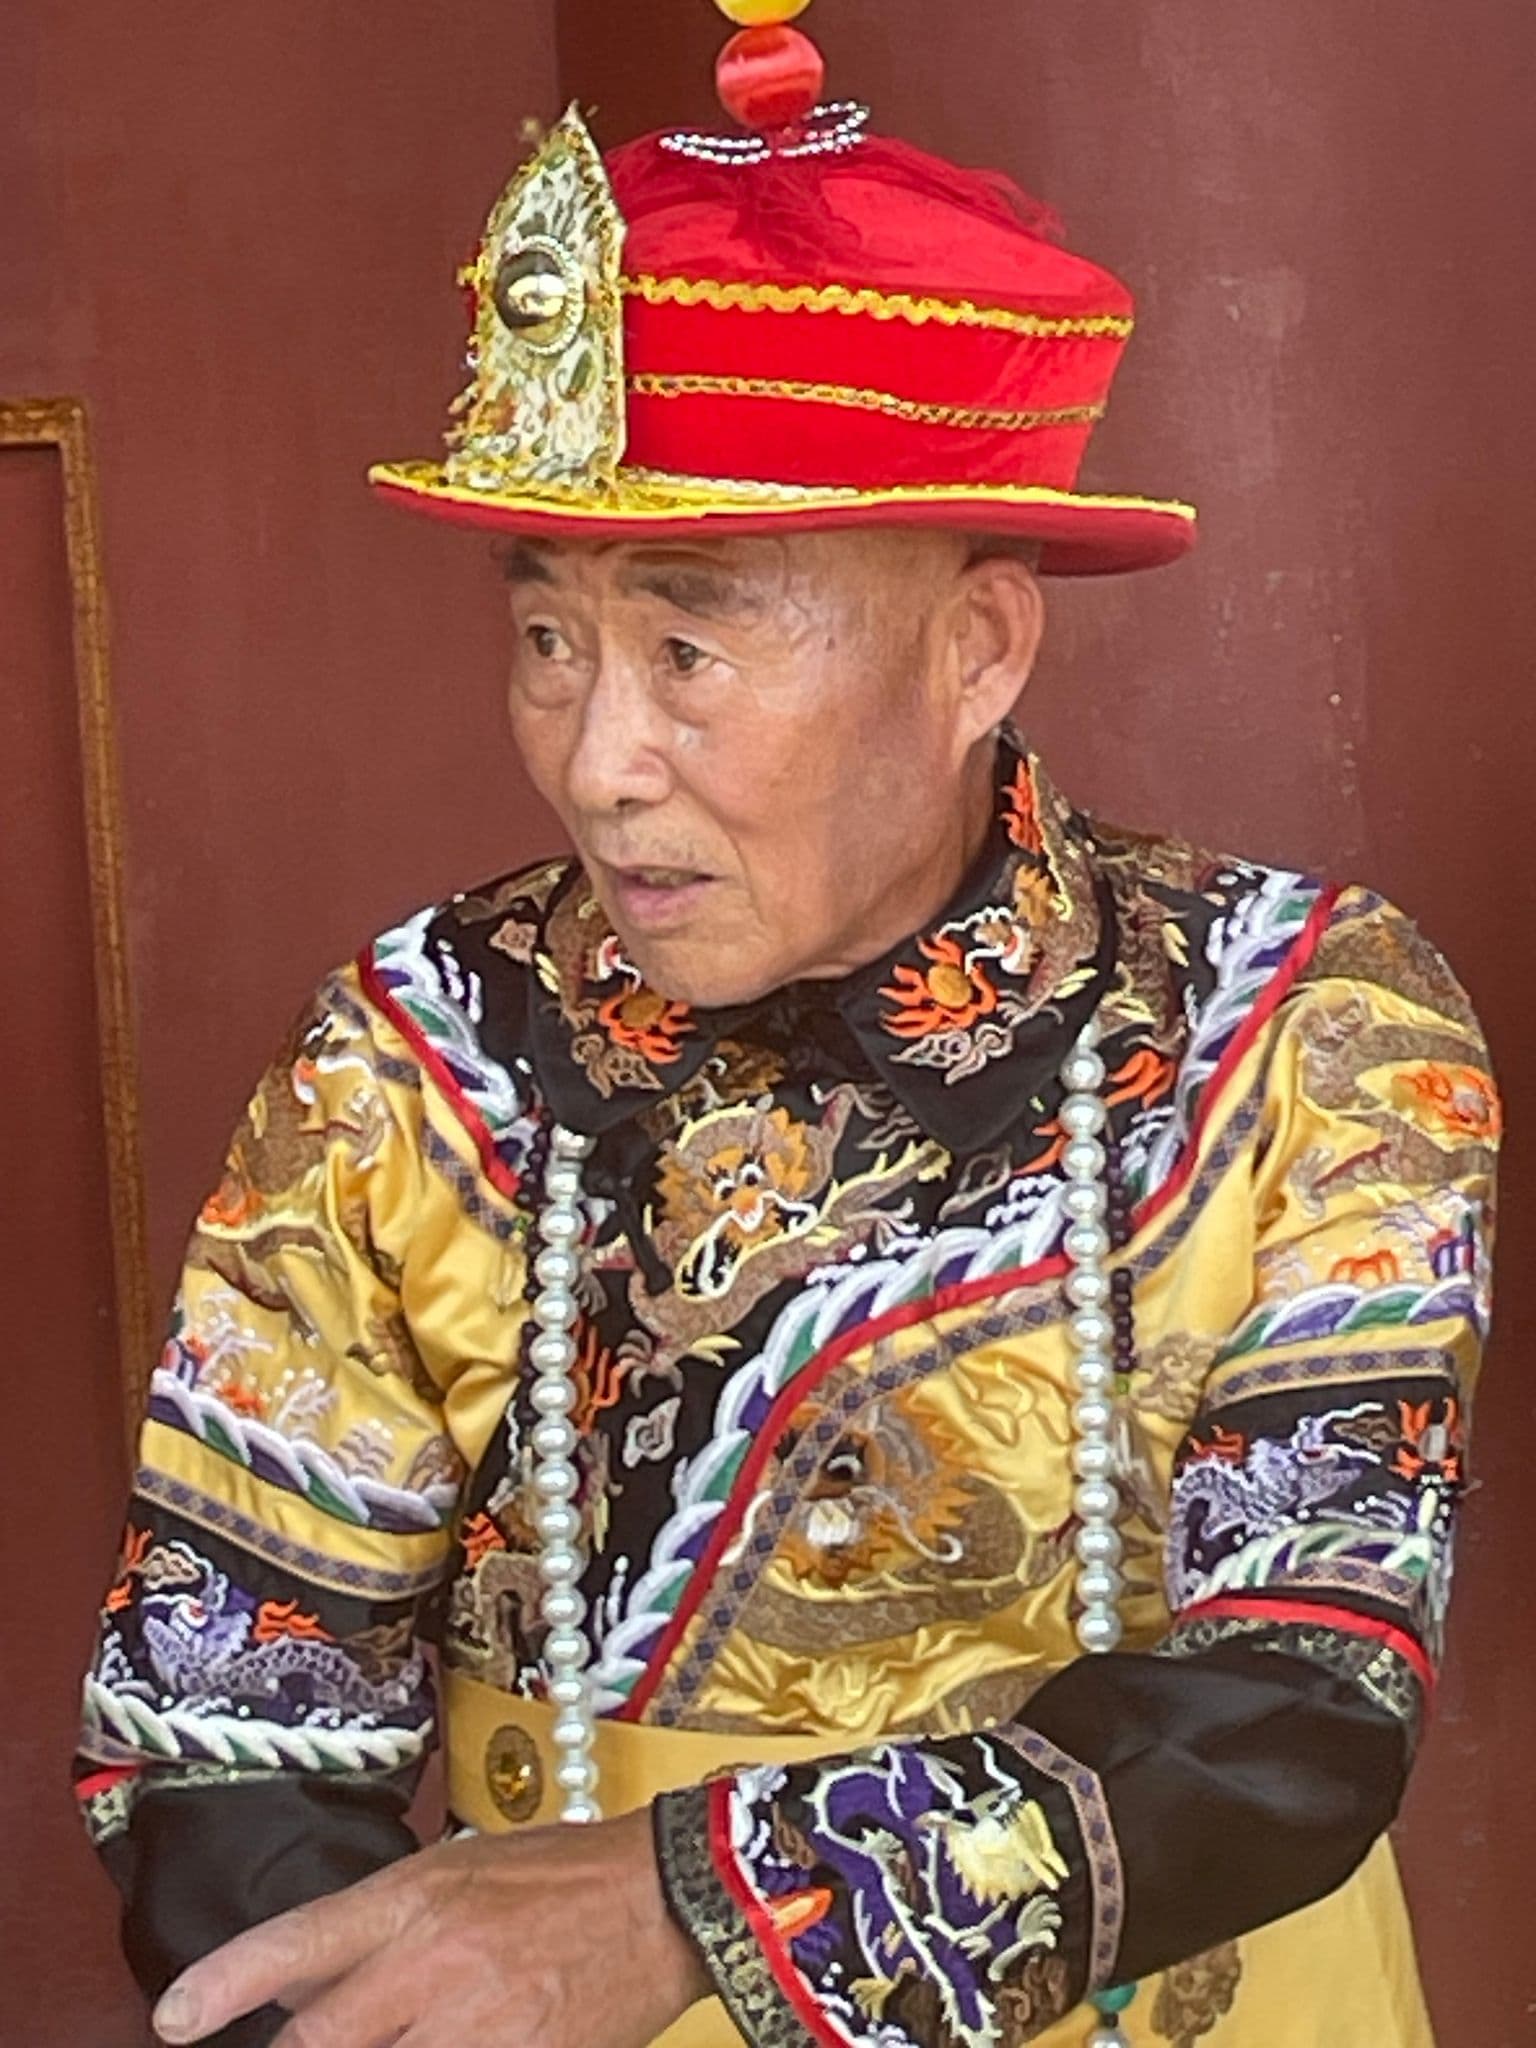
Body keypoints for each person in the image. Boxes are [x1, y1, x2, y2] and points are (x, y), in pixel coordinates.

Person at [75, 8, 1499, 2046]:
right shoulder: (408, 1054)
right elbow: (217, 1719)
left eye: (688, 640)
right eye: (550, 635)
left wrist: (676, 1915)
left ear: (978, 643)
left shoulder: (1305, 1025)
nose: (599, 759)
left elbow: (1297, 1698)